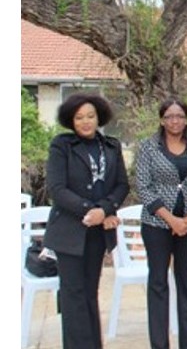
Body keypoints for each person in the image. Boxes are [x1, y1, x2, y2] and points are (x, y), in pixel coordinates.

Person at [43, 93, 129, 349]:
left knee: (90, 293)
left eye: (90, 116)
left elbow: (122, 185)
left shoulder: (111, 146)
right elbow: (57, 189)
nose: (86, 122)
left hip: (98, 231)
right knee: (73, 295)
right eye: (79, 117)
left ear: (99, 117)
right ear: (71, 120)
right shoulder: (62, 145)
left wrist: (104, 210)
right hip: (70, 231)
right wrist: (89, 210)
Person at [135, 98, 187, 349]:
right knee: (158, 282)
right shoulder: (148, 147)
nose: (175, 120)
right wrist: (171, 220)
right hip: (157, 225)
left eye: (179, 115)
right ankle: (159, 344)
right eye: (169, 116)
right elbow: (143, 187)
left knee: (185, 281)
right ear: (161, 120)